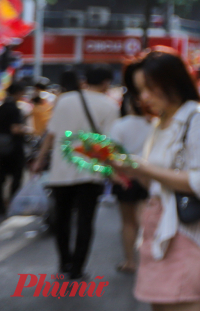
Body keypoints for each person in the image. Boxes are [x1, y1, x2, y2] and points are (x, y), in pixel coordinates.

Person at [112, 49, 200, 311]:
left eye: (150, 88)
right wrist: (130, 170)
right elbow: (156, 185)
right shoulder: (160, 123)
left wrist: (144, 169)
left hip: (186, 234)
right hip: (158, 232)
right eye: (139, 91)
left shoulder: (199, 118)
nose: (144, 98)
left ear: (173, 82)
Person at [32, 66, 119, 279]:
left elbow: (51, 134)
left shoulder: (65, 100)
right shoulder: (109, 106)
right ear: (106, 83)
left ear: (85, 80)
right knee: (85, 221)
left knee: (62, 220)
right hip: (91, 172)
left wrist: (40, 159)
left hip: (61, 171)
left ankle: (64, 264)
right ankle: (78, 268)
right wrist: (113, 170)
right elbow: (108, 144)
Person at [108, 62, 153, 274]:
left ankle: (130, 261)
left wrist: (114, 174)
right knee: (145, 219)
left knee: (127, 223)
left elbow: (110, 154)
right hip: (148, 175)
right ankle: (147, 259)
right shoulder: (153, 125)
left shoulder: (120, 125)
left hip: (124, 177)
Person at [0, 82, 30, 215]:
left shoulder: (2, 107)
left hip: (1, 148)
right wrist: (28, 130)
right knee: (16, 177)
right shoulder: (14, 109)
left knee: (1, 179)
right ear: (18, 93)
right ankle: (13, 204)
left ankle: (1, 207)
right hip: (13, 149)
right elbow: (15, 129)